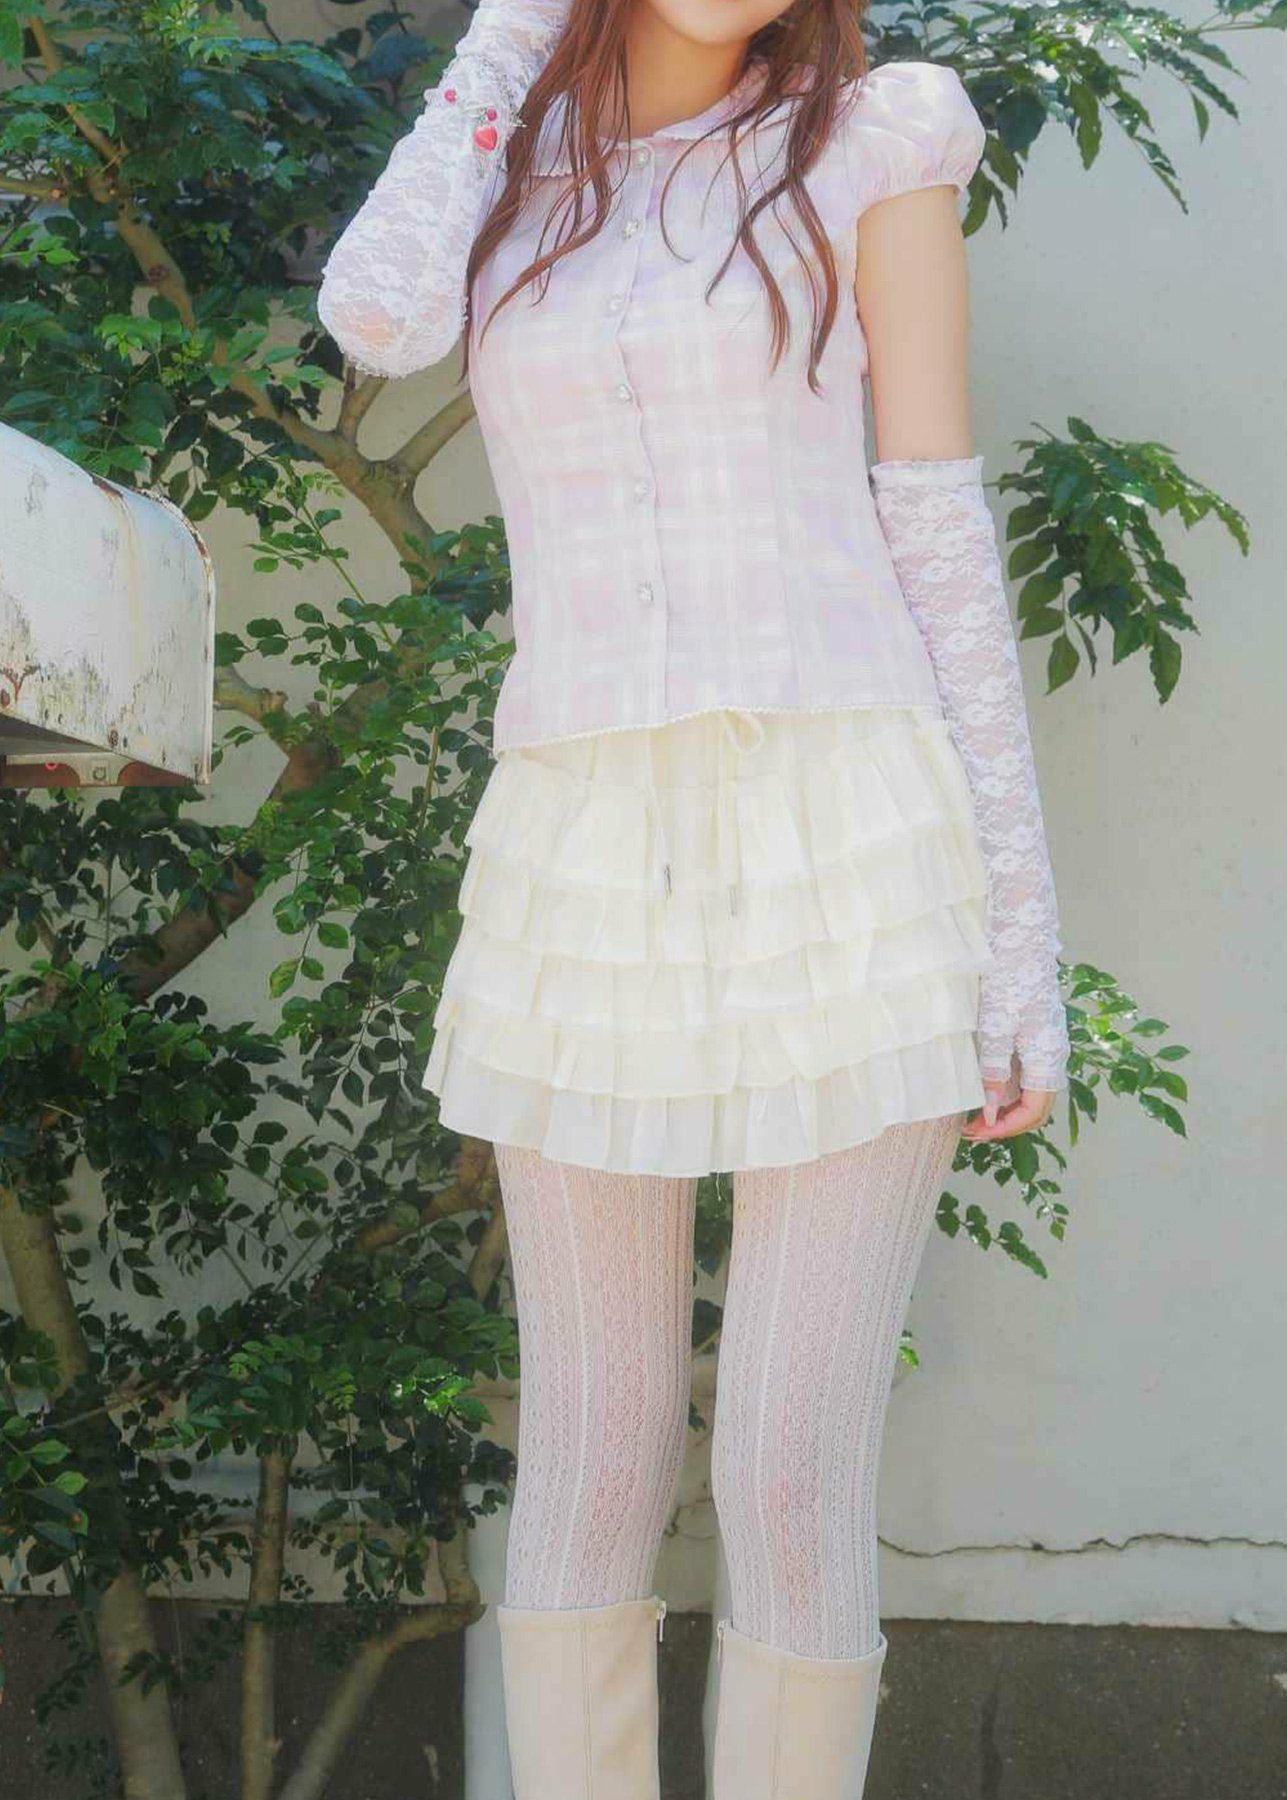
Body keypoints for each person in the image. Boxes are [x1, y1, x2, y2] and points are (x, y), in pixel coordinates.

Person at [316, 0, 1070, 1788]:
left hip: (848, 832)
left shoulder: (877, 136)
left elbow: (935, 519)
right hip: (583, 848)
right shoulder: (511, 178)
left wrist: (1022, 934)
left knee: (790, 1464)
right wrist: (513, 36)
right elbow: (376, 320)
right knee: (589, 1451)